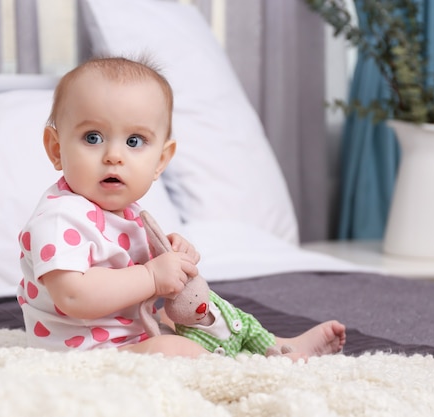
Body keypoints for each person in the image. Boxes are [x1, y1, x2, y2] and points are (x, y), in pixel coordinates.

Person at [17, 56, 346, 359]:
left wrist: (169, 258)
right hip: (83, 354)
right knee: (173, 347)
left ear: (160, 160)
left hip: (128, 335)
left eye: (134, 141)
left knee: (197, 316)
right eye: (93, 137)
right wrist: (151, 276)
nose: (113, 155)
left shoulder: (125, 214)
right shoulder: (60, 219)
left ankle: (276, 347)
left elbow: (128, 273)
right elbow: (74, 296)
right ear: (56, 149)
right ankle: (247, 372)